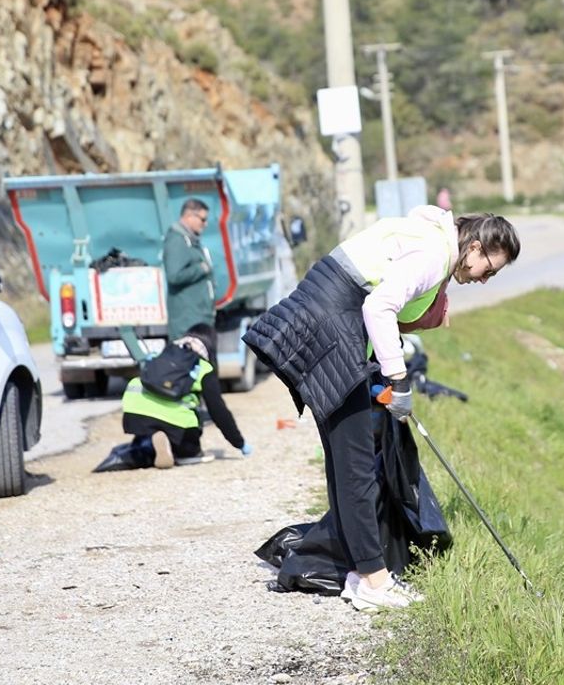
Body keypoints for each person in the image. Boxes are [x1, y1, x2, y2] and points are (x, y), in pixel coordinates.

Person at [243, 206, 520, 611]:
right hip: (331, 325)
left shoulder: (431, 238)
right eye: (488, 269)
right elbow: (378, 308)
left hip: (325, 320)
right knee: (355, 464)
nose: (483, 279)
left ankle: (360, 575)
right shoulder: (434, 253)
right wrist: (399, 380)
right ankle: (373, 582)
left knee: (345, 461)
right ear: (474, 246)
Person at [162, 199, 252, 467]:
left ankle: (190, 444)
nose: (204, 224)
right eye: (201, 219)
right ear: (188, 216)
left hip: (199, 323)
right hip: (188, 329)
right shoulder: (177, 241)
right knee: (197, 388)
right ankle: (187, 447)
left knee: (201, 388)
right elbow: (174, 275)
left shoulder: (190, 239)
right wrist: (202, 268)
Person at [120, 336, 217, 468]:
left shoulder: (159, 355)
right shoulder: (203, 367)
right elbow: (218, 410)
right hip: (176, 422)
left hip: (134, 415)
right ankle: (180, 451)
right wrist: (239, 443)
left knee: (146, 443)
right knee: (189, 449)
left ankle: (150, 442)